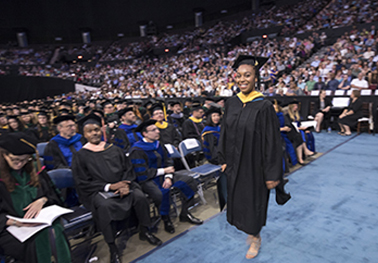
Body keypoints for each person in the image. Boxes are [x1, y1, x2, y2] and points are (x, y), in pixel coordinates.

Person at [218, 55, 290, 259]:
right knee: (237, 200)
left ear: (255, 78)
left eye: (247, 75)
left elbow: (272, 142)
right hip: (233, 164)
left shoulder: (264, 106)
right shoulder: (231, 103)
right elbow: (224, 132)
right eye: (239, 76)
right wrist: (222, 159)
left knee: (253, 202)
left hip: (254, 165)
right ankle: (247, 230)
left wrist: (272, 173)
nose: (242, 79)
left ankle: (255, 236)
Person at [72, 114, 162, 263]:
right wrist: (109, 186)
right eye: (89, 131)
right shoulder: (81, 155)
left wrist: (125, 183)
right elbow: (82, 181)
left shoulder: (114, 149)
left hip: (123, 184)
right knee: (105, 206)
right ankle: (112, 247)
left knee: (139, 197)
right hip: (99, 190)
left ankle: (145, 230)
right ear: (84, 134)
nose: (94, 133)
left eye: (96, 129)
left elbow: (128, 168)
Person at [0, 132, 71, 263]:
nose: (20, 164)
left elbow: (52, 194)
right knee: (38, 238)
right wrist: (15, 222)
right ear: (4, 155)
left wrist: (42, 200)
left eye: (24, 159)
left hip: (38, 220)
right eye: (15, 160)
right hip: (9, 228)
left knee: (55, 229)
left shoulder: (33, 168)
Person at [129, 120, 203, 235]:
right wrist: (163, 171)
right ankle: (166, 219)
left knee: (189, 181)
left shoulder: (159, 144)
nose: (158, 131)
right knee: (162, 192)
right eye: (153, 130)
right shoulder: (137, 150)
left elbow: (168, 160)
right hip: (147, 179)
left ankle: (185, 213)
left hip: (165, 175)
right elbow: (141, 173)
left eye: (157, 129)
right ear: (145, 134)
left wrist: (168, 176)